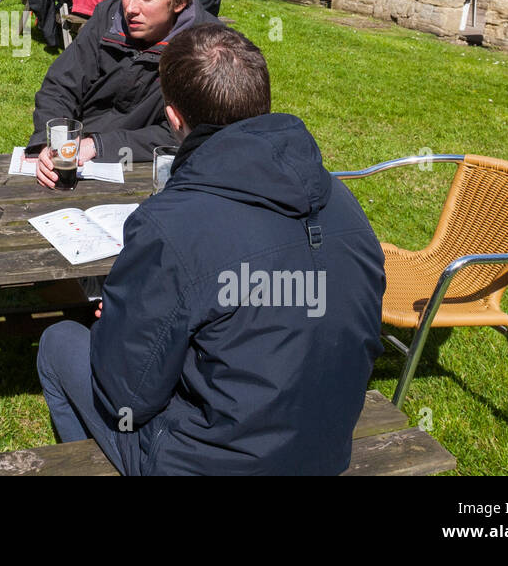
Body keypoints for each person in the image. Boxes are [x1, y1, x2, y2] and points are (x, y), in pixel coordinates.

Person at [35, 24, 386, 474]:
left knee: (58, 341)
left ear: (174, 118)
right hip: (325, 450)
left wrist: (121, 320)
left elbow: (127, 394)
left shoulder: (172, 223)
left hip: (207, 462)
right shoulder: (342, 200)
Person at [28, 0, 221, 186]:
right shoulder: (107, 17)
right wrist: (51, 142)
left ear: (180, 1)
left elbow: (189, 131)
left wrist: (99, 145)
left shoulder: (209, 48)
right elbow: (61, 84)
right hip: (79, 163)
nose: (131, 8)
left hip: (155, 173)